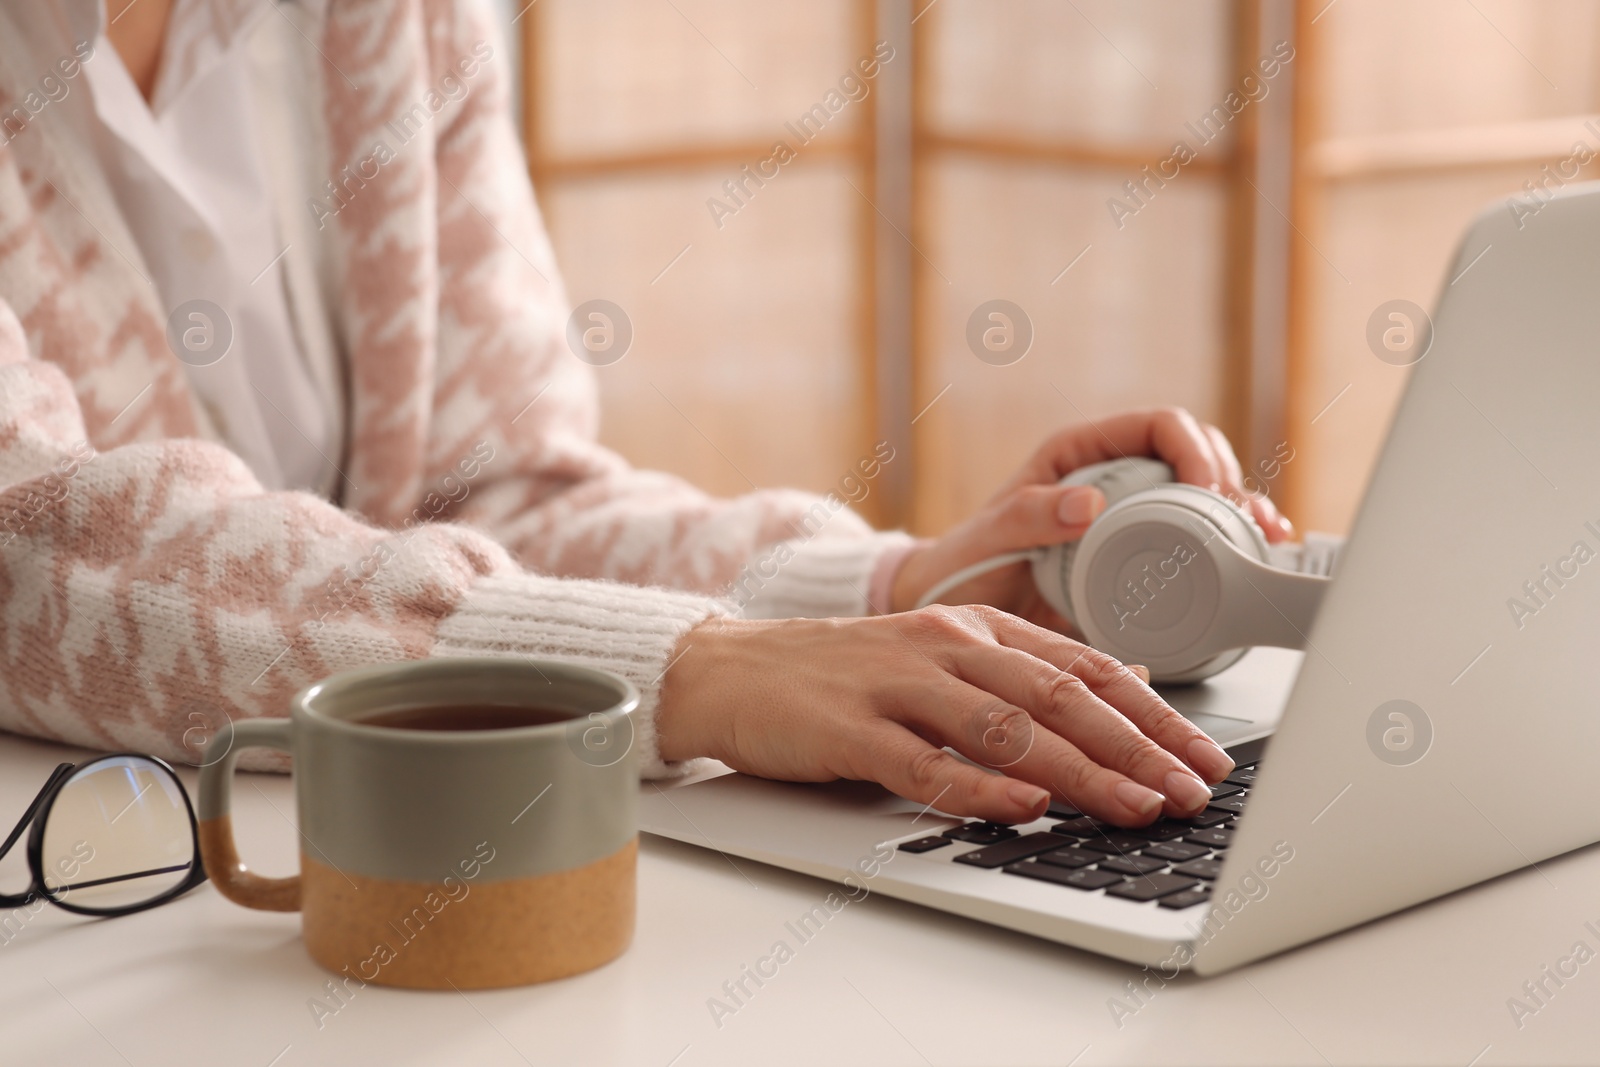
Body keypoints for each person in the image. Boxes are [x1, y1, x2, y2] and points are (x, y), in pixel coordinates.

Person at [0, 0, 1292, 832]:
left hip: (389, 853)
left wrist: (883, 585)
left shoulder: (389, 22)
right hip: (103, 887)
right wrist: (686, 671)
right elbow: (25, 548)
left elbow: (499, 496)